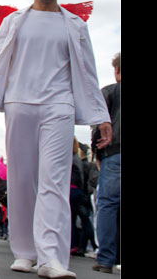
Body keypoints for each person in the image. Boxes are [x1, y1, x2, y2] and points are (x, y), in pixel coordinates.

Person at [0, 0, 113, 278]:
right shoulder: (15, 21)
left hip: (60, 106)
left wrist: (101, 116)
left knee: (54, 182)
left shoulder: (74, 25)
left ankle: (52, 259)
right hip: (20, 104)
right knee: (22, 180)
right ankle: (25, 252)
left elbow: (88, 71)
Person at [92, 52, 120, 274]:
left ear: (117, 71)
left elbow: (98, 125)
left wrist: (97, 154)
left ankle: (106, 260)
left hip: (114, 153)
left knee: (108, 205)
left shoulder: (109, 92)